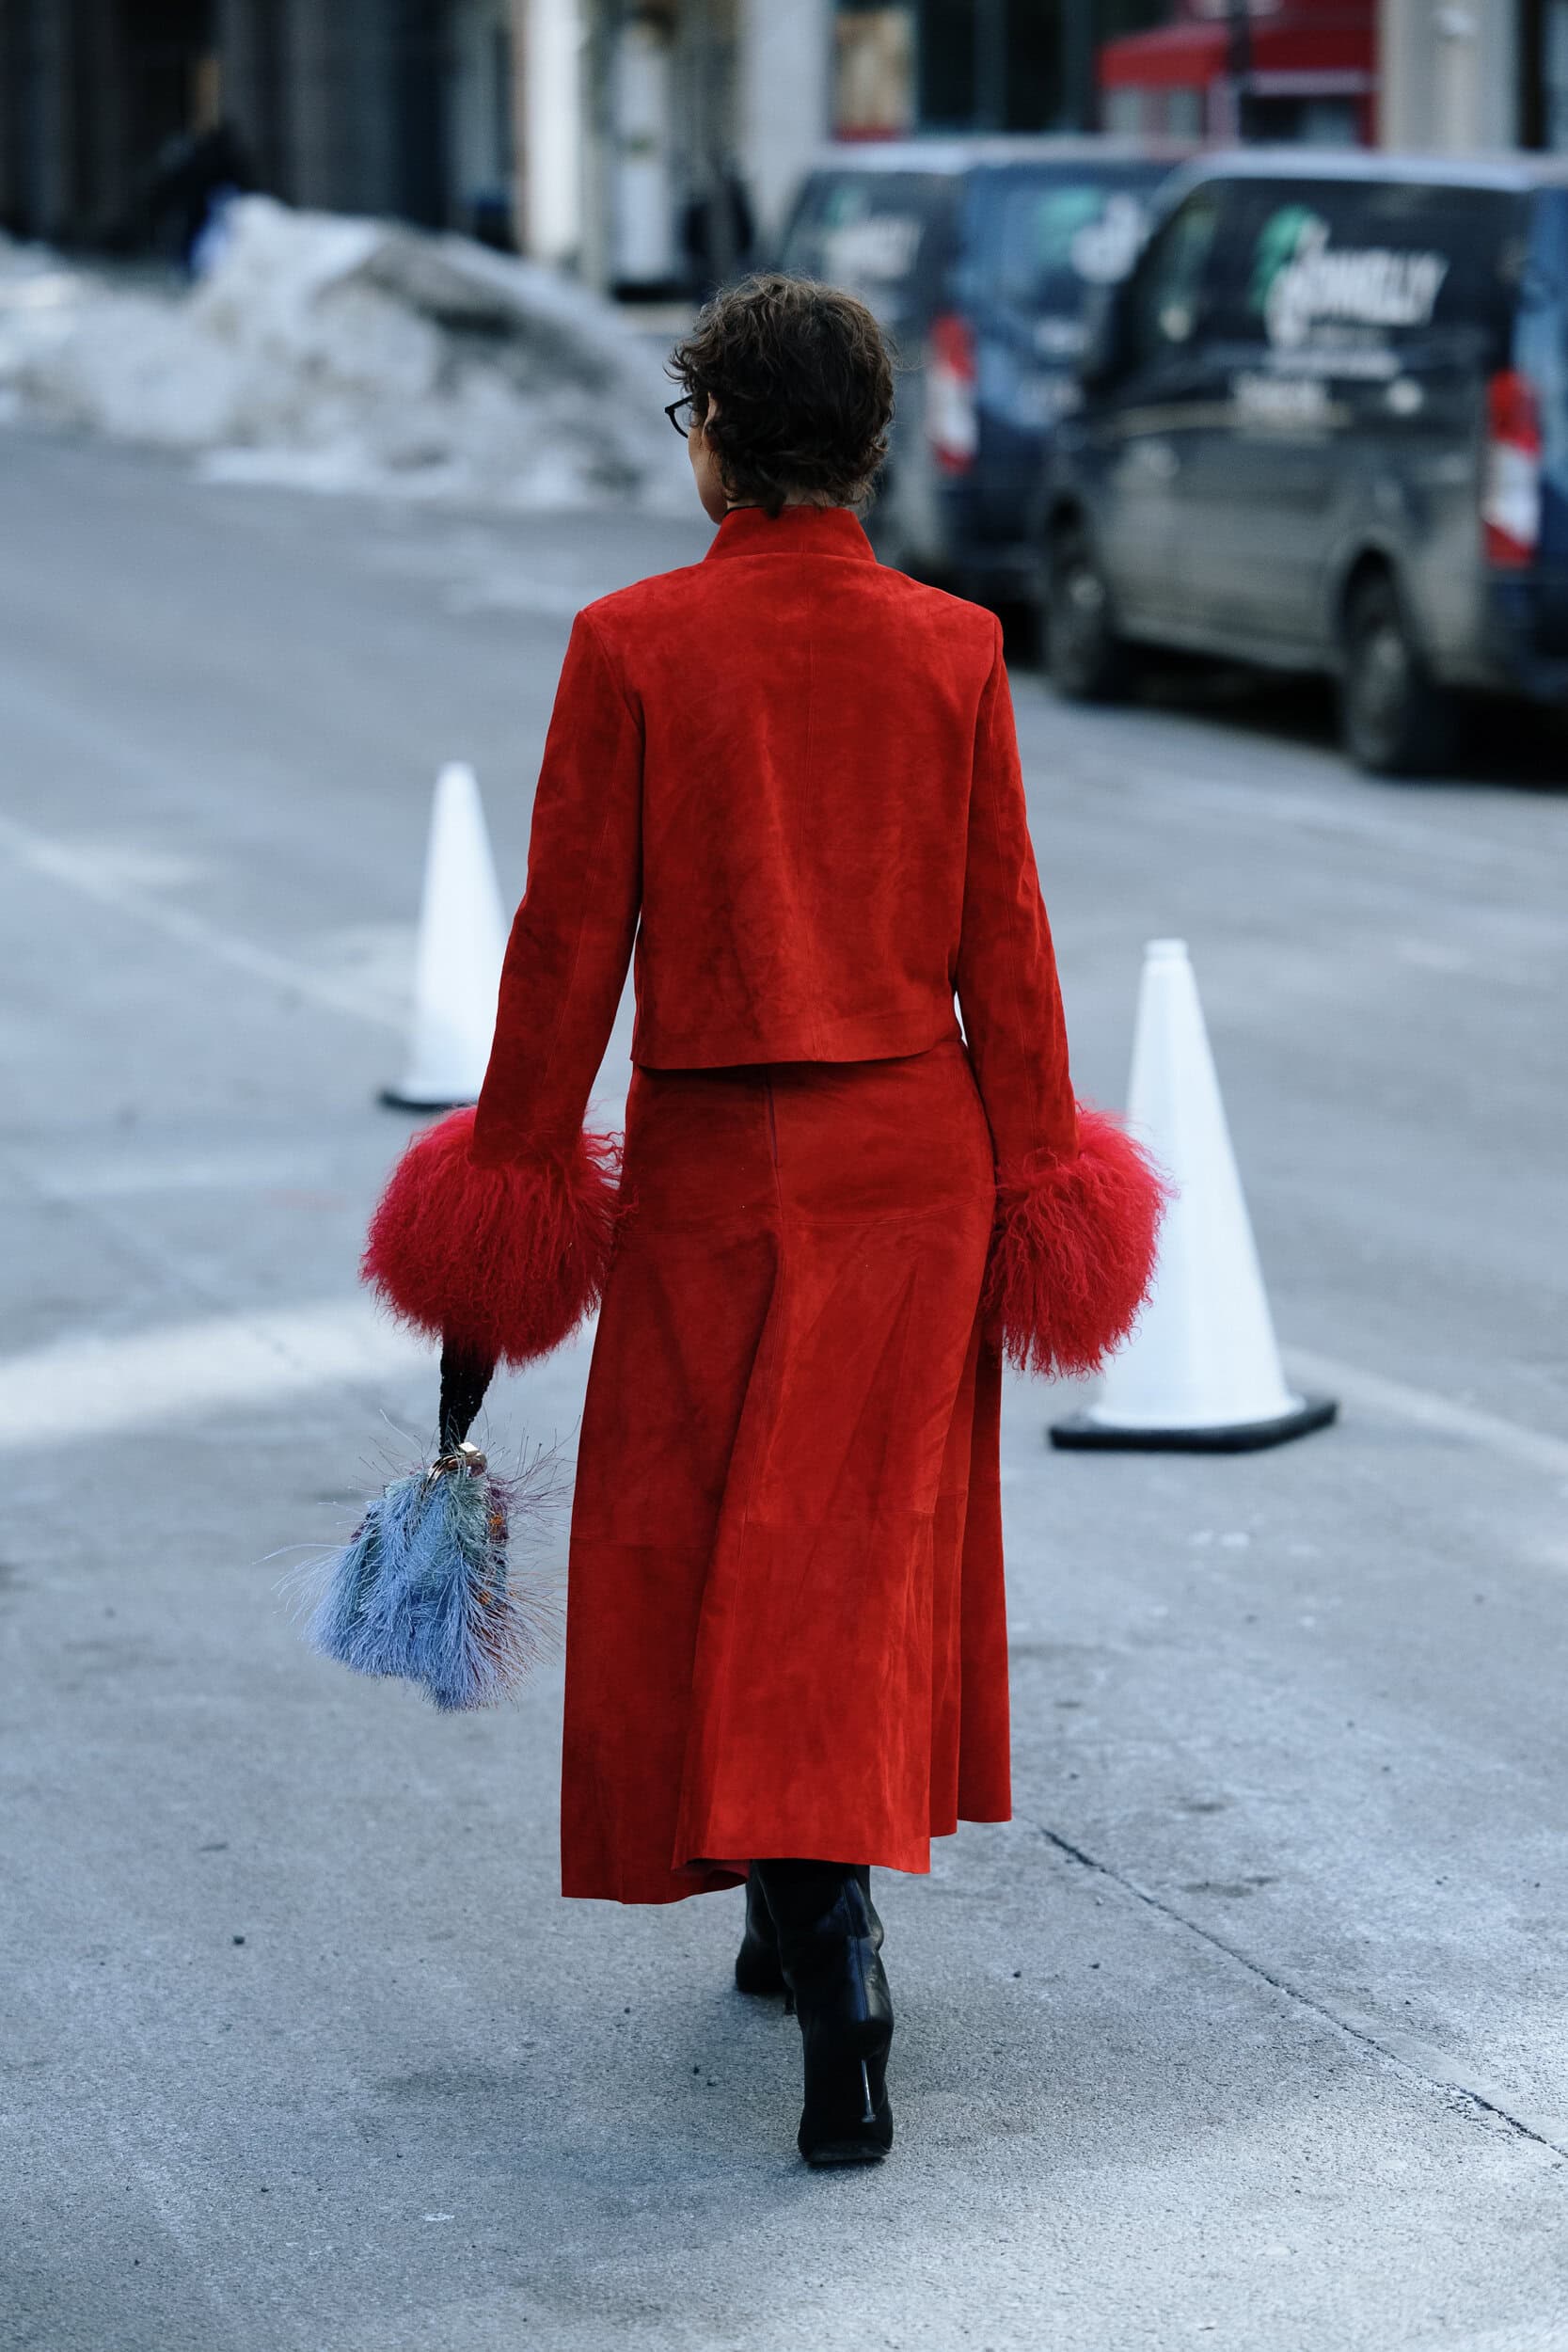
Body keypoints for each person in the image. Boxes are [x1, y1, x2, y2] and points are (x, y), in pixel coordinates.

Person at [362, 275, 1165, 2168]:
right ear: (870, 447)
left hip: (717, 1173)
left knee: (713, 1534)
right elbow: (1007, 947)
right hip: (913, 1174)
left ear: (714, 434)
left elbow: (568, 945)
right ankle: (801, 1919)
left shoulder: (632, 645)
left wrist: (512, 1179)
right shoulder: (955, 647)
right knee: (845, 1559)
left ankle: (831, 1949)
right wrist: (1037, 1174)